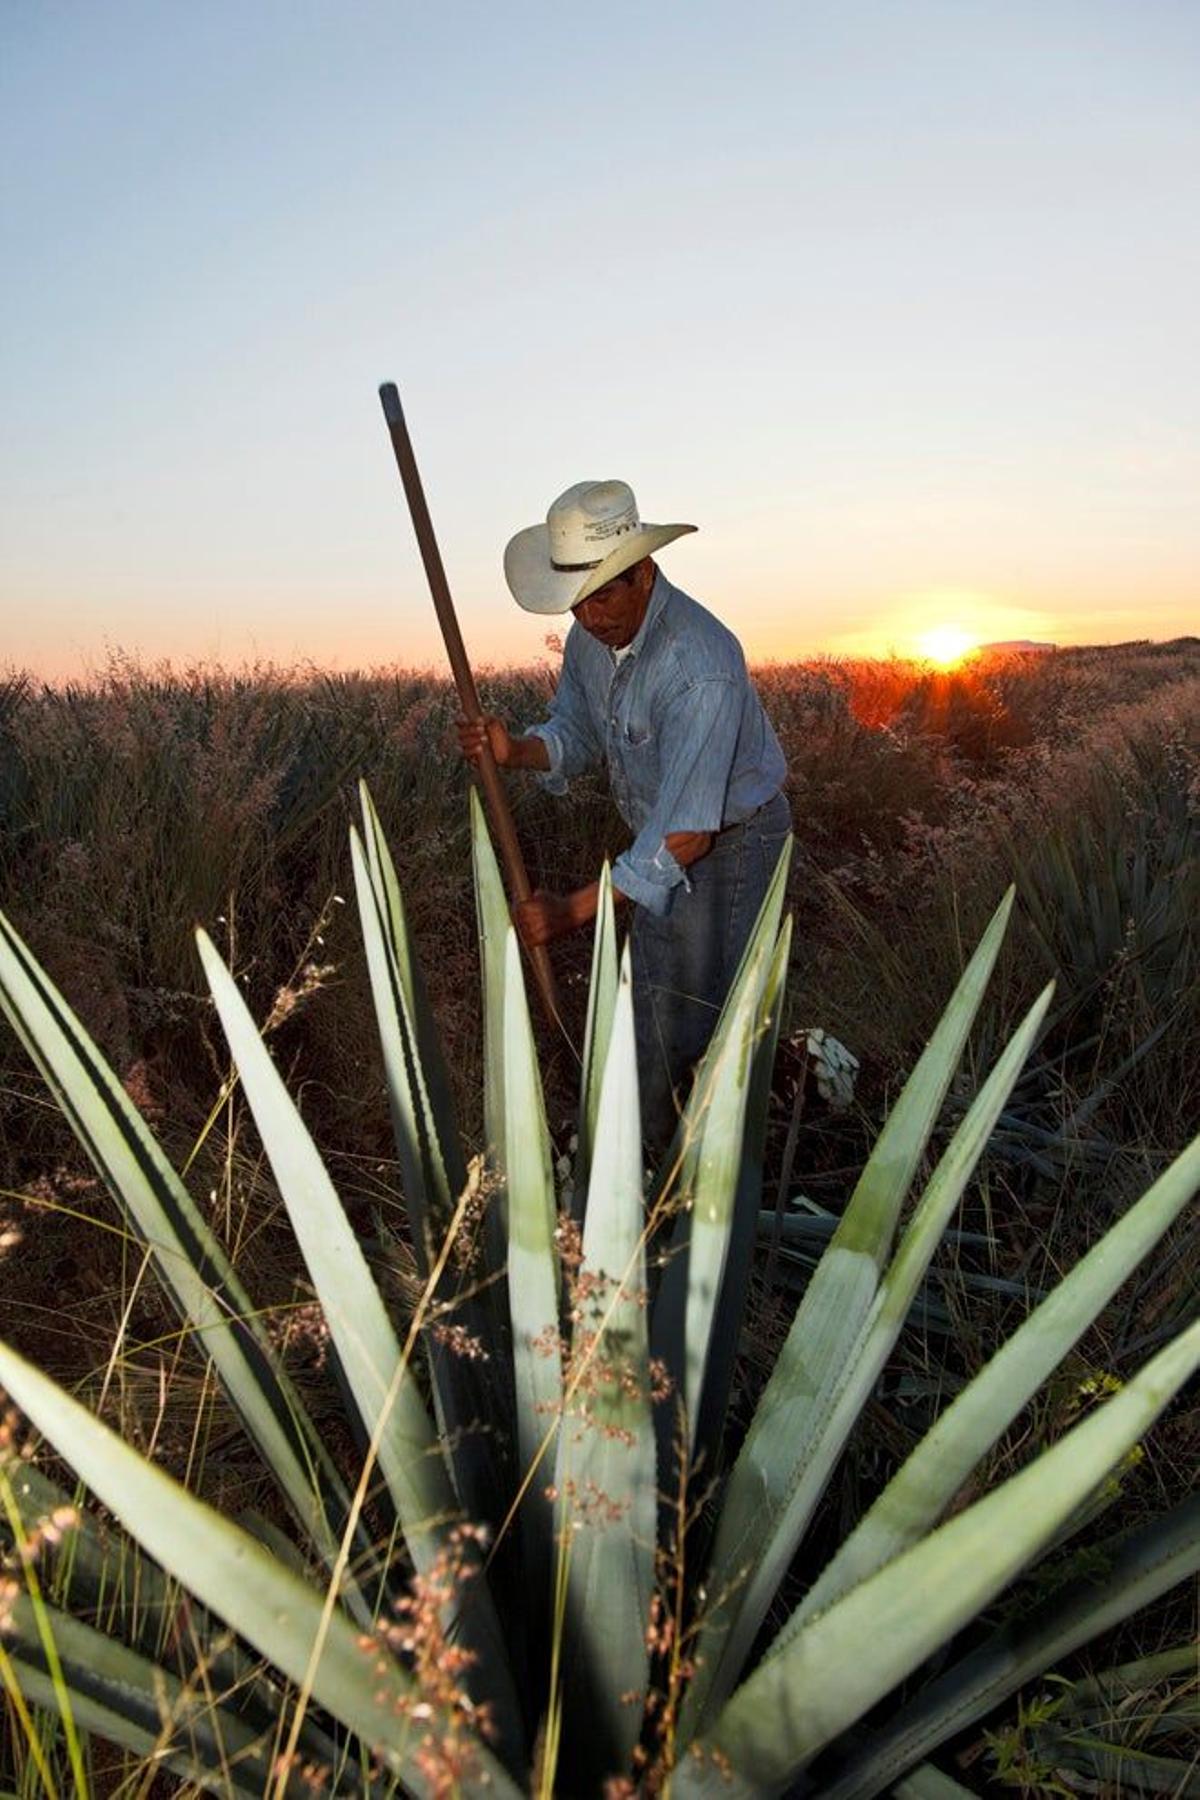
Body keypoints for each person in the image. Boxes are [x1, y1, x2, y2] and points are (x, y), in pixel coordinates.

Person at [457, 478, 789, 1151]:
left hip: (734, 841)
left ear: (643, 573)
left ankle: (682, 1164)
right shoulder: (591, 638)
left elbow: (685, 835)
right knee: (656, 994)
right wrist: (515, 749)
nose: (588, 618)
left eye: (602, 596)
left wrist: (572, 913)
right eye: (575, 603)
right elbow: (577, 732)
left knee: (697, 1008)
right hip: (664, 839)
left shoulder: (700, 667)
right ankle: (634, 1152)